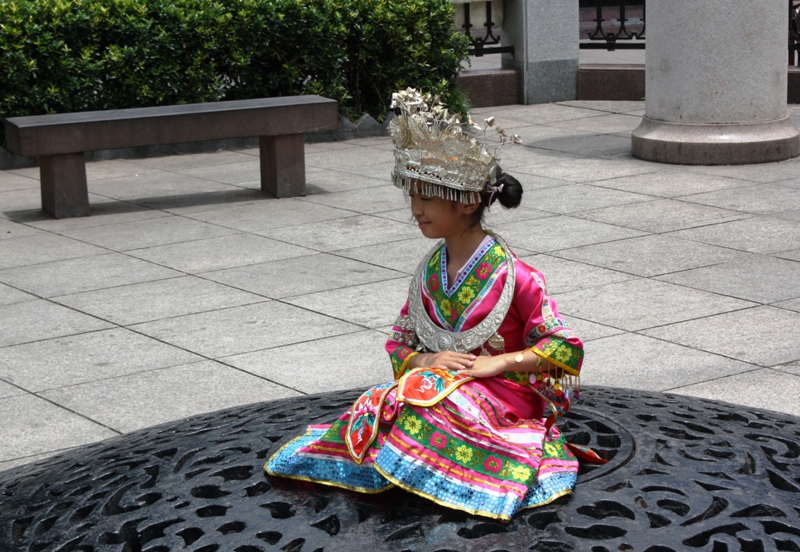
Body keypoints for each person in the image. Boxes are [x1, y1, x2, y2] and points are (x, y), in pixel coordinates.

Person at [266, 89, 595, 521]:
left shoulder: (518, 277)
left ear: (467, 202)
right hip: (438, 385)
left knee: (439, 413)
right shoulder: (427, 274)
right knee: (381, 404)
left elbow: (566, 351)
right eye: (412, 198)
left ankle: (448, 477)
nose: (415, 210)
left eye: (426, 198)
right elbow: (398, 346)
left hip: (506, 396)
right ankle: (417, 470)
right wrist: (427, 358)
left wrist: (495, 365)